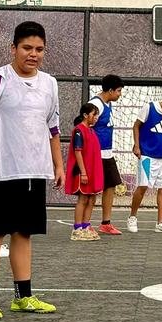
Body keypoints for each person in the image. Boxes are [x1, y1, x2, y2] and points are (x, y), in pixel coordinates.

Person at [0, 21, 62, 321]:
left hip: (34, 170)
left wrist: (58, 165)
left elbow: (53, 129)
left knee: (24, 234)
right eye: (26, 48)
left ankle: (23, 297)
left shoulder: (50, 84)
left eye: (39, 49)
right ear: (13, 48)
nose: (33, 54)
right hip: (1, 169)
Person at [127, 94, 162, 233]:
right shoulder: (149, 108)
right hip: (147, 155)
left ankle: (161, 222)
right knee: (143, 186)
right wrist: (137, 146)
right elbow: (136, 126)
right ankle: (132, 217)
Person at [88, 75, 124, 235]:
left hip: (107, 154)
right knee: (92, 190)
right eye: (118, 91)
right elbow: (83, 126)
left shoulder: (107, 104)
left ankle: (106, 223)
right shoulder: (95, 104)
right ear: (110, 90)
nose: (120, 94)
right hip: (96, 155)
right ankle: (84, 224)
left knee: (111, 185)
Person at [65, 103, 103, 241]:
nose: (96, 118)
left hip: (92, 171)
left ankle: (86, 226)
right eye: (94, 114)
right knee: (83, 198)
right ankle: (77, 229)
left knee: (91, 198)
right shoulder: (79, 130)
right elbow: (78, 152)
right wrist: (84, 172)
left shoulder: (92, 131)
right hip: (83, 171)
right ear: (86, 115)